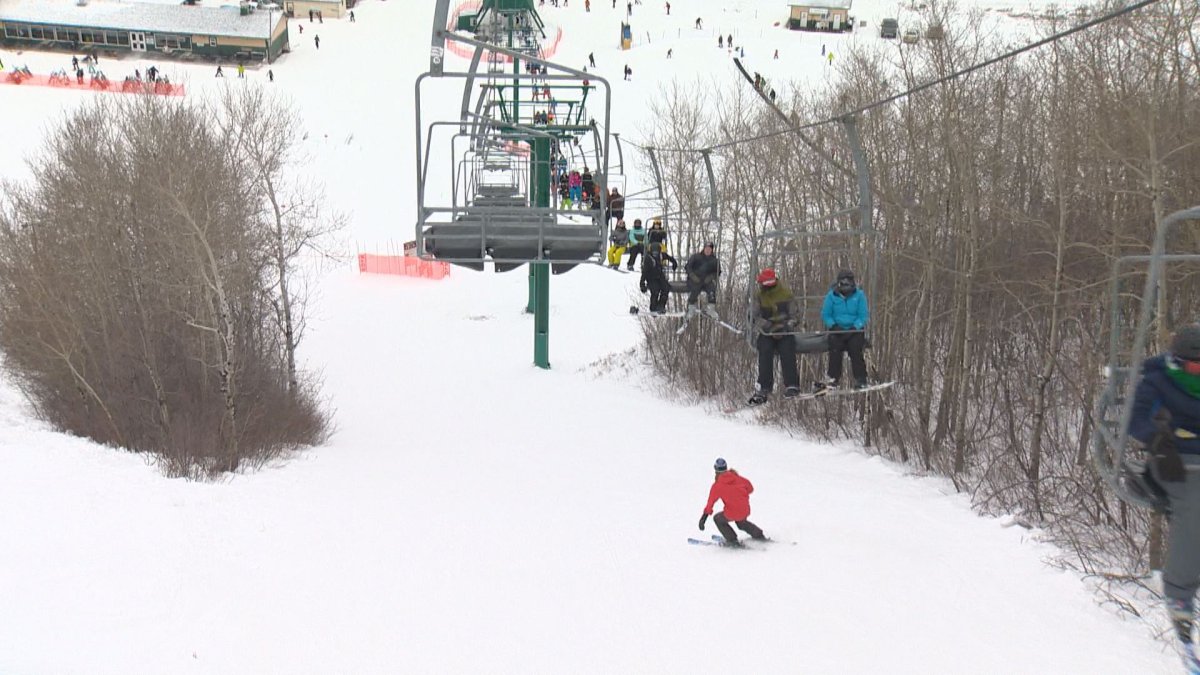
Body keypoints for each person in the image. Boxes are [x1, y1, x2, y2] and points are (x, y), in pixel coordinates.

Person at [1127, 324, 1200, 668]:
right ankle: (1180, 594)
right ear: (1178, 362)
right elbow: (1136, 418)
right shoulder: (1159, 381)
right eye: (1195, 368)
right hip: (1172, 463)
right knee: (1194, 509)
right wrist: (1156, 439)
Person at [748, 268, 801, 405]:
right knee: (764, 350)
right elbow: (754, 315)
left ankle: (792, 385)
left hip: (784, 329)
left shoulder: (786, 294)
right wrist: (767, 326)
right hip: (767, 330)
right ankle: (764, 387)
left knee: (788, 350)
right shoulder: (759, 296)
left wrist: (787, 325)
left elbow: (794, 315)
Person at [698, 458, 766, 547]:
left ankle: (732, 540)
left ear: (716, 470)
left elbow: (710, 504)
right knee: (741, 523)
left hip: (732, 512)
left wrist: (703, 519)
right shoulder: (738, 478)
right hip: (745, 509)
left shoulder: (717, 486)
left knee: (718, 519)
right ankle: (758, 534)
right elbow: (750, 488)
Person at [820, 269, 869, 391]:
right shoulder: (831, 296)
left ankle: (861, 378)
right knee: (835, 348)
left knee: (855, 349)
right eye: (843, 283)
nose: (845, 286)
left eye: (848, 283)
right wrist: (834, 326)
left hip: (854, 329)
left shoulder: (859, 296)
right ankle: (833, 378)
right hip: (837, 329)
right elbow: (826, 314)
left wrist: (854, 327)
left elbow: (863, 315)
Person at [684, 241, 720, 318]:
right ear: (704, 249)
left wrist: (711, 277)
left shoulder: (714, 260)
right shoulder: (696, 257)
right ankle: (691, 308)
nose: (707, 250)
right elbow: (688, 267)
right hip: (695, 278)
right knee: (695, 289)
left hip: (706, 280)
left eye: (709, 249)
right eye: (706, 248)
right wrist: (692, 275)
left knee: (712, 290)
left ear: (712, 250)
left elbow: (717, 272)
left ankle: (711, 309)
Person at [639, 242, 677, 313]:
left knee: (666, 288)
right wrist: (642, 283)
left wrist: (674, 263)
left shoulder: (661, 255)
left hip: (660, 276)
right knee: (655, 290)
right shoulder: (648, 258)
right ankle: (653, 308)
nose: (655, 254)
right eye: (654, 252)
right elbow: (644, 272)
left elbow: (670, 258)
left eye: (657, 252)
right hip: (651, 277)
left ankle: (661, 306)